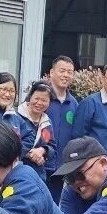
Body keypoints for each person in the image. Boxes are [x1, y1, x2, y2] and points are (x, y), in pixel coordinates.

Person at [44, 56, 78, 201]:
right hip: (40, 164)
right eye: (62, 71)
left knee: (55, 203)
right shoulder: (41, 99)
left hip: (61, 167)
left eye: (69, 72)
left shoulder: (74, 104)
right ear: (52, 73)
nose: (66, 75)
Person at [15, 80, 56, 183]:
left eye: (44, 100)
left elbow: (52, 147)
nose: (39, 103)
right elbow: (9, 144)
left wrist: (42, 150)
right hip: (16, 172)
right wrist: (30, 154)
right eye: (36, 98)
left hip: (38, 175)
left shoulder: (46, 122)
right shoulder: (15, 116)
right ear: (30, 97)